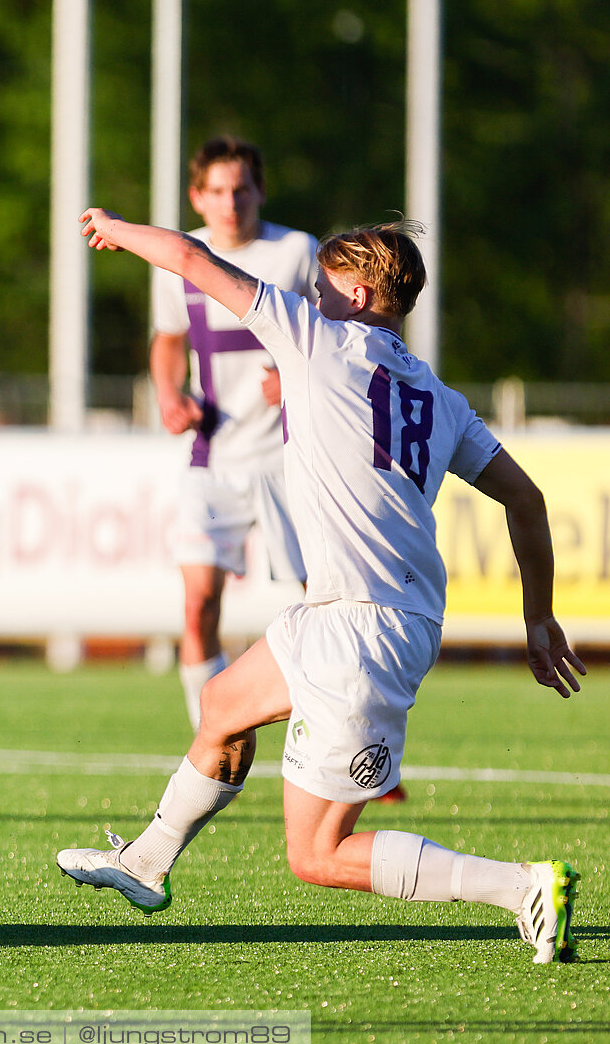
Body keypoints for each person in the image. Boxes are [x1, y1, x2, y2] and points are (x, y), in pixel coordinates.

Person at [58, 208, 587, 964]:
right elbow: (526, 500)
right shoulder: (441, 399)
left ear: (365, 295)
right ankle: (146, 860)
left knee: (315, 854)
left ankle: (520, 887)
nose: (312, 294)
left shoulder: (315, 341)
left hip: (364, 631)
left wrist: (112, 226)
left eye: (326, 283)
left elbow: (186, 256)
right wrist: (540, 618)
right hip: (341, 613)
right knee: (221, 708)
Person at [151, 138, 314, 729]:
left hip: (288, 459)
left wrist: (298, 377)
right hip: (212, 458)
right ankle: (211, 749)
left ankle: (347, 738)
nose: (230, 202)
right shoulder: (181, 258)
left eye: (241, 189)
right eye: (216, 191)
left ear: (260, 191)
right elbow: (168, 341)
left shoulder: (296, 252)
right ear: (197, 196)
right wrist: (170, 396)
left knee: (322, 605)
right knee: (197, 609)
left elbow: (333, 338)